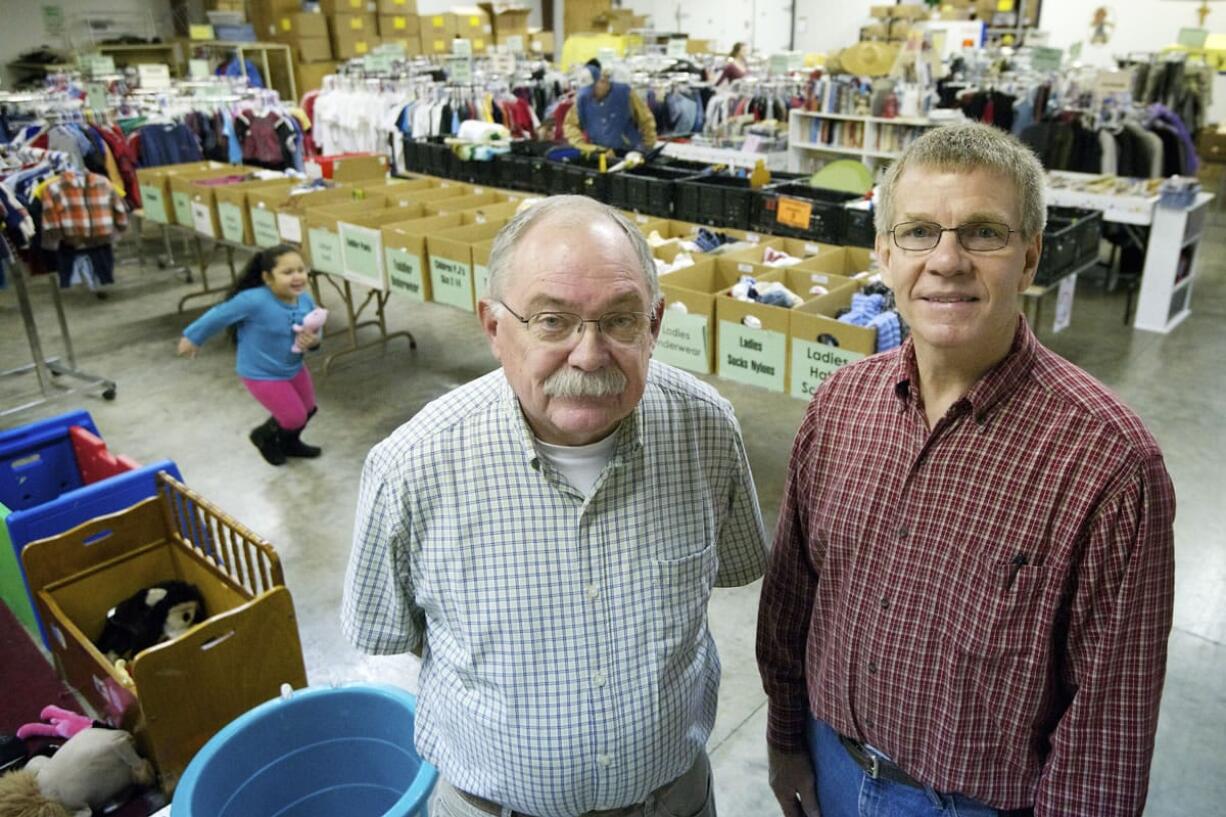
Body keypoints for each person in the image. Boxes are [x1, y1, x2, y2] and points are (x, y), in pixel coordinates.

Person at [757, 122, 1175, 817]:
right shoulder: (839, 404)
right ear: (885, 254)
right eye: (919, 231)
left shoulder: (1111, 465)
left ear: (1031, 258)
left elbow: (1106, 732)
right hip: (829, 762)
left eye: (983, 232)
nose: (947, 260)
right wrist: (785, 740)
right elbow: (793, 601)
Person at [342, 195, 768, 817]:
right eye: (552, 321)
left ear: (654, 325)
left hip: (672, 801)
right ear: (493, 327)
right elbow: (392, 637)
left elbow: (734, 571)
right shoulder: (410, 467)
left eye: (620, 321)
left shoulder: (705, 430)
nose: (589, 353)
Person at [177, 244, 323, 466]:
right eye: (287, 272)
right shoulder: (253, 300)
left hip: (292, 367)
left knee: (309, 409)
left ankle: (290, 443)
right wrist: (193, 337)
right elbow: (218, 315)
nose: (297, 277)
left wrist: (313, 341)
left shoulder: (304, 300)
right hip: (261, 373)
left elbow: (315, 327)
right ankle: (264, 438)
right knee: (293, 416)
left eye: (301, 270)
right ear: (267, 277)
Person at [564, 60, 658, 152]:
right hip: (599, 152)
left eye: (594, 87)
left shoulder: (625, 93)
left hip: (628, 151)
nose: (591, 93)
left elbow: (645, 119)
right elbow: (570, 124)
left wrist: (647, 146)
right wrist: (582, 145)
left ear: (604, 81)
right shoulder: (584, 99)